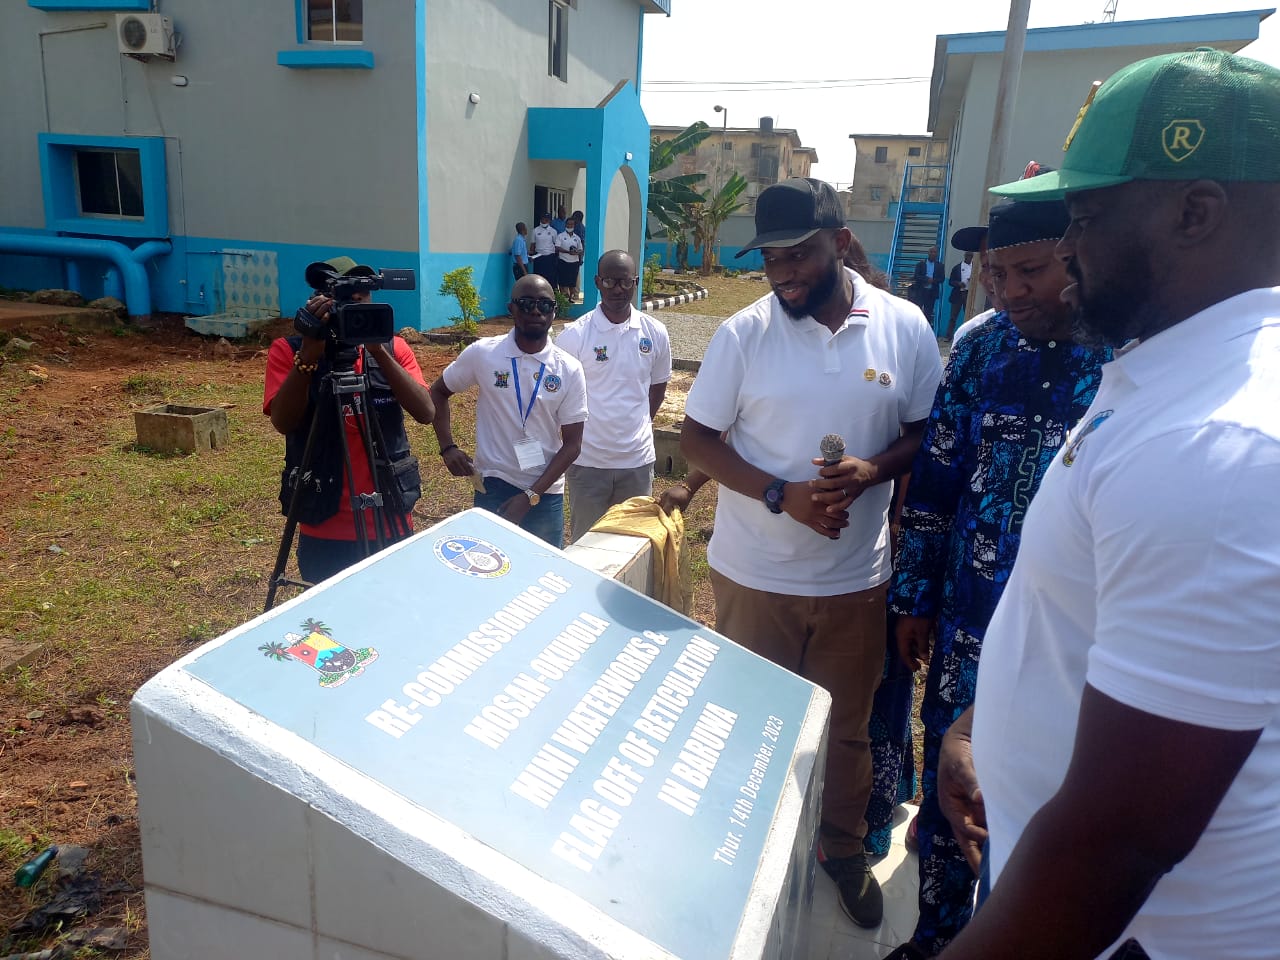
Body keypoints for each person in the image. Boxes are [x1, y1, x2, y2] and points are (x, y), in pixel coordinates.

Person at [935, 48, 1280, 960]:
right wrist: (983, 724)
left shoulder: (1217, 445)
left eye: (1084, 216)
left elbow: (1117, 846)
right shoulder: (1170, 372)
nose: (1066, 246)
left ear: (1195, 213)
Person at [681, 177, 943, 929]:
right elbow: (699, 438)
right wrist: (779, 495)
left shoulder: (905, 326)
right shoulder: (744, 334)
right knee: (746, 721)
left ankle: (840, 850)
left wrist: (872, 471)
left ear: (841, 243)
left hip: (856, 582)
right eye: (770, 259)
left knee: (848, 730)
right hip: (753, 576)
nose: (785, 272)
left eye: (799, 254)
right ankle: (735, 856)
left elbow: (923, 430)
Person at [885, 198, 1111, 960]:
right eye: (996, 273)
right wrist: (913, 595)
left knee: (1041, 796)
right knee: (952, 792)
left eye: (1030, 271)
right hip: (964, 622)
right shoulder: (980, 349)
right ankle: (935, 938)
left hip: (1068, 637)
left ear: (1076, 258)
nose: (1011, 290)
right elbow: (939, 477)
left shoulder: (1124, 355)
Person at [263, 256, 435, 585]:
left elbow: (425, 412)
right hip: (324, 524)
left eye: (362, 294)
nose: (356, 303)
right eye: (344, 296)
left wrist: (377, 350)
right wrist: (310, 354)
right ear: (318, 301)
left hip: (390, 519)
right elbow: (283, 422)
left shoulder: (394, 348)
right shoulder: (289, 350)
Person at [429, 273, 587, 547]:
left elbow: (573, 445)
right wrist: (447, 447)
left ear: (554, 311)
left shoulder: (569, 369)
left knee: (543, 574)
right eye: (526, 303)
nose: (535, 310)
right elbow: (439, 391)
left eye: (545, 304)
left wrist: (531, 496)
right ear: (511, 308)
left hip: (545, 491)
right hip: (494, 484)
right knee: (489, 571)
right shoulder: (483, 354)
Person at [556, 250, 672, 541]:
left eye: (625, 282)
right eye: (609, 282)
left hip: (637, 460)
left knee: (630, 546)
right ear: (597, 282)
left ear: (635, 282)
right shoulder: (574, 335)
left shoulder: (655, 333)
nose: (617, 290)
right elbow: (559, 396)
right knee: (587, 545)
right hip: (588, 461)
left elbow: (658, 387)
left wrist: (638, 425)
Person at [909, 245, 945, 324]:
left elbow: (942, 279)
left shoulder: (940, 266)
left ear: (937, 254)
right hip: (920, 291)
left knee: (928, 313)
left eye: (935, 252)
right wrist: (926, 279)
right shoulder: (920, 264)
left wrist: (933, 280)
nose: (933, 254)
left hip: (932, 292)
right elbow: (916, 276)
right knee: (917, 311)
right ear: (928, 253)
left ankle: (925, 330)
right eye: (931, 252)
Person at [944, 252, 973, 339]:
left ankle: (968, 336)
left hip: (969, 294)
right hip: (958, 294)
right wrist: (958, 283)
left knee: (969, 317)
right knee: (953, 316)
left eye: (971, 256)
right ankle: (948, 336)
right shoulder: (957, 268)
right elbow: (950, 281)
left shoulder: (975, 268)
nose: (969, 258)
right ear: (964, 256)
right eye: (967, 256)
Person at [555, 217, 584, 299]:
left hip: (574, 262)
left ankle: (572, 297)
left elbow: (580, 249)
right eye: (568, 224)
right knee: (563, 281)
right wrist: (568, 252)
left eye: (571, 224)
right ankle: (564, 298)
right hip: (563, 261)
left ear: (574, 225)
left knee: (572, 282)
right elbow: (557, 247)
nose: (569, 226)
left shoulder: (577, 238)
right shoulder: (560, 236)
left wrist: (576, 252)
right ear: (565, 225)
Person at [531, 212, 558, 283]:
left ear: (549, 220)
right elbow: (533, 245)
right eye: (543, 219)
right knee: (538, 278)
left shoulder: (553, 231)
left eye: (546, 219)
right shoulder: (535, 230)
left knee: (550, 277)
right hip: (538, 257)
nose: (544, 221)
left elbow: (556, 245)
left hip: (550, 257)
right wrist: (531, 256)